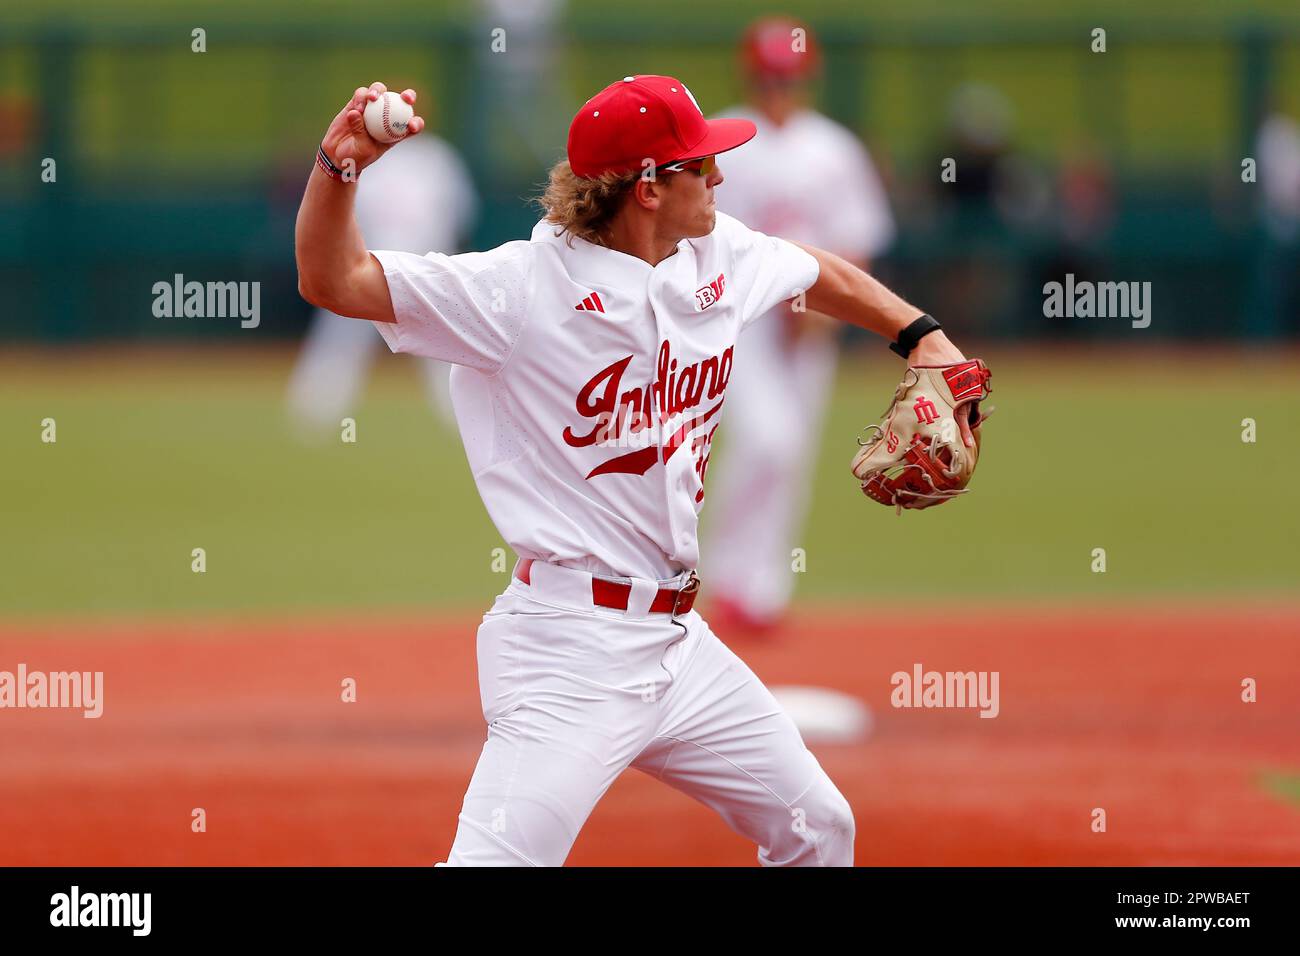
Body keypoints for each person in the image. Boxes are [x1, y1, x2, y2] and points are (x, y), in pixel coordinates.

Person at [296, 76, 977, 867]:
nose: (719, 177)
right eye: (699, 165)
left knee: (819, 825)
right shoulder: (517, 290)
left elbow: (810, 270)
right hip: (568, 652)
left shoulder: (715, 255)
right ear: (647, 188)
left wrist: (921, 334)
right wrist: (337, 168)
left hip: (680, 643)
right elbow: (333, 281)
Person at [703, 16, 896, 635]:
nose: (775, 86)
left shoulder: (833, 148)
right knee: (767, 441)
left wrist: (830, 311)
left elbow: (857, 239)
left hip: (813, 316)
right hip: (740, 318)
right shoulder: (725, 137)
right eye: (767, 75)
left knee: (792, 454)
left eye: (785, 76)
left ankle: (761, 592)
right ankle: (726, 579)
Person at [286, 129, 477, 432]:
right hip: (374, 261)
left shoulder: (436, 157)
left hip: (419, 263)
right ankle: (317, 405)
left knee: (444, 339)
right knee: (345, 333)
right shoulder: (374, 156)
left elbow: (458, 210)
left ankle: (459, 412)